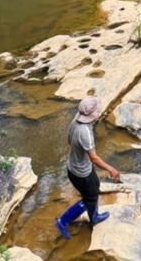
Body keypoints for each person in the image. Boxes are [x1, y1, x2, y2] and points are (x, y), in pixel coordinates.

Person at [56, 96, 121, 240]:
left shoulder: (75, 121)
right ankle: (63, 221)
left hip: (74, 167)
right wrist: (111, 169)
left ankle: (94, 216)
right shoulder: (85, 132)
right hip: (81, 173)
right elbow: (94, 158)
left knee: (95, 187)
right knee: (89, 199)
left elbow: (69, 141)